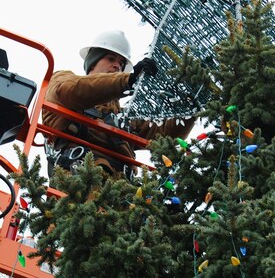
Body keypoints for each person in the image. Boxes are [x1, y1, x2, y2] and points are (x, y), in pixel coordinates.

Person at [42, 30, 195, 181]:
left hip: (122, 192)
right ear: (92, 62)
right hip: (80, 180)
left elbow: (162, 134)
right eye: (110, 59)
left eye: (122, 64)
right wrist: (127, 80)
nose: (117, 66)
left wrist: (190, 111)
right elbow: (73, 90)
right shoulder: (63, 80)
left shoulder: (124, 118)